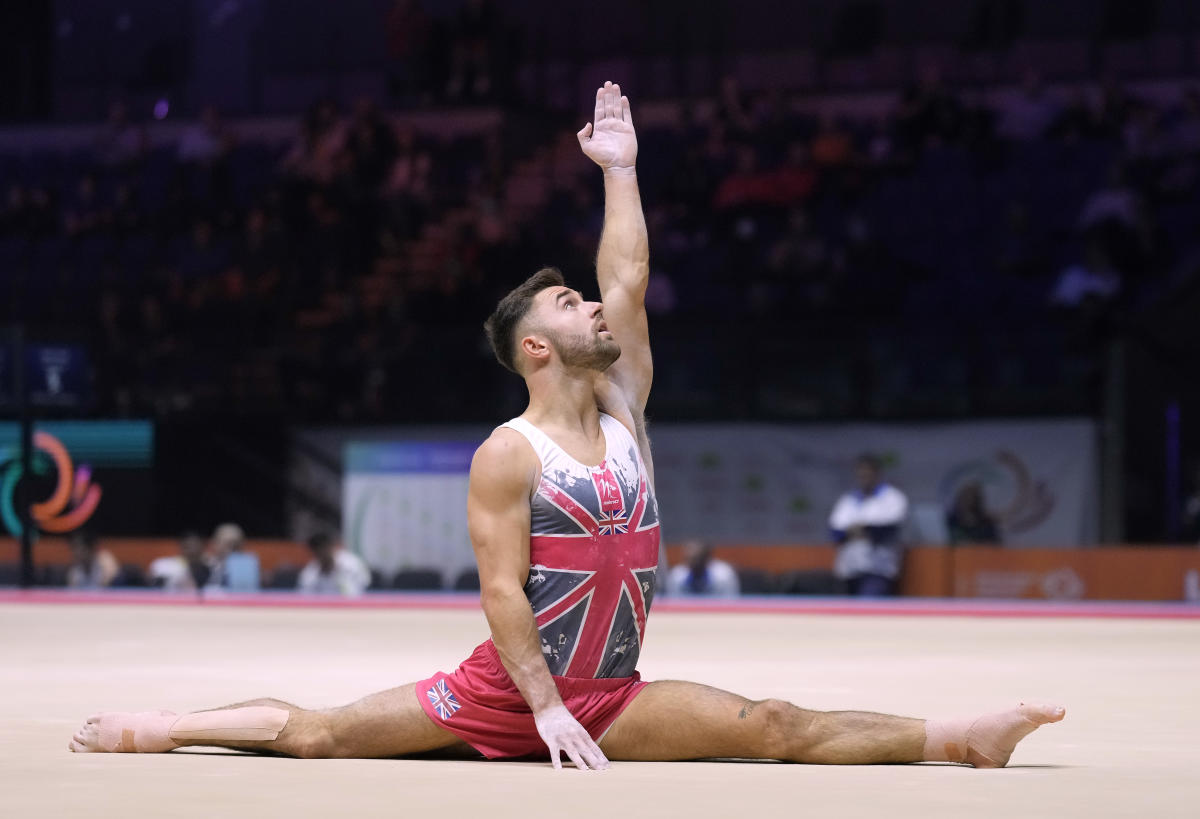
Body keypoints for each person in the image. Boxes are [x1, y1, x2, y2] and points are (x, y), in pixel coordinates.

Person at [68, 82, 1064, 769]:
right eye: (567, 307)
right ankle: (161, 727)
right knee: (323, 736)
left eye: (585, 301)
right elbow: (502, 593)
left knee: (774, 724)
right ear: (533, 349)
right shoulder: (510, 452)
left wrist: (618, 170)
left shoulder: (623, 406)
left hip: (613, 690)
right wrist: (540, 709)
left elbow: (627, 275)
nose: (592, 307)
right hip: (506, 690)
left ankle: (957, 737)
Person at [830, 453, 909, 596]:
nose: (864, 477)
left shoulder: (892, 497)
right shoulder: (847, 500)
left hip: (878, 570)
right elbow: (836, 534)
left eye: (868, 473)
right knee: (846, 615)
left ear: (877, 474)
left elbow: (884, 531)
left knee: (868, 608)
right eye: (861, 474)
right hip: (849, 569)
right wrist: (863, 530)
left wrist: (859, 530)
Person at [296, 532, 371, 596]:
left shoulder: (352, 563)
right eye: (319, 552)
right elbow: (305, 597)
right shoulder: (310, 574)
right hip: (323, 610)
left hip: (354, 607)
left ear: (331, 547)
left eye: (325, 549)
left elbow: (365, 584)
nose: (323, 554)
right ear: (314, 553)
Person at [665, 540, 740, 597]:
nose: (692, 563)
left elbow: (731, 602)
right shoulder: (677, 576)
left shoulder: (724, 575)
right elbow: (673, 602)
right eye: (688, 559)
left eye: (696, 559)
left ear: (707, 558)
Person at [147, 531, 214, 592]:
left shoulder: (212, 565)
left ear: (202, 547)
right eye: (188, 547)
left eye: (195, 546)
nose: (192, 551)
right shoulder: (164, 565)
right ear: (181, 547)